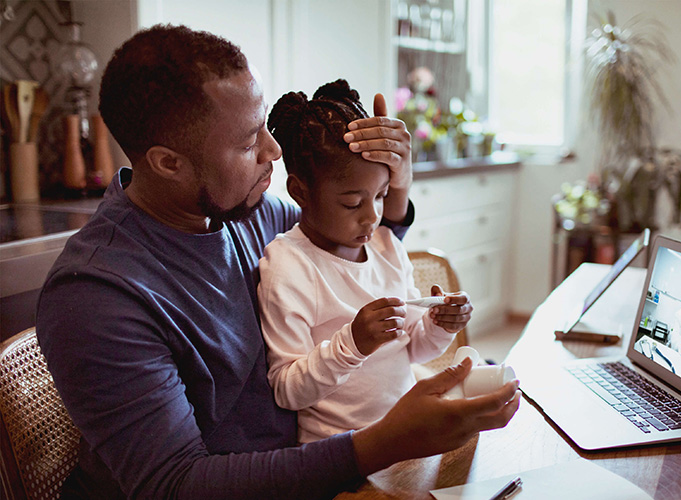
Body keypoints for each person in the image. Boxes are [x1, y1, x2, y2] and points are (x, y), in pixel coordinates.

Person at [35, 25, 520, 499]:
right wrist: (384, 442)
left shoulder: (246, 210)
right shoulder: (97, 296)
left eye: (265, 126)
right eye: (248, 144)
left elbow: (350, 243)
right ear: (168, 162)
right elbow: (174, 483)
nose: (274, 151)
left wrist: (398, 186)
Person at [259, 80, 471, 443]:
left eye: (380, 196)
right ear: (300, 192)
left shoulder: (386, 246)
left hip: (405, 434)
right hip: (339, 453)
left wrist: (439, 325)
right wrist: (353, 344)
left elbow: (414, 350)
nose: (372, 217)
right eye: (352, 203)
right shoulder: (288, 266)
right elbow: (287, 390)